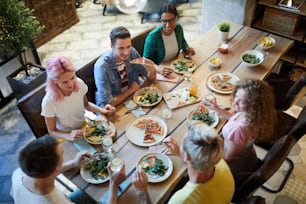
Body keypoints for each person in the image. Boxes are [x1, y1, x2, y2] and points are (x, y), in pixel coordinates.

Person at [131, 123, 235, 203]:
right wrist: (181, 154)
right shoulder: (218, 160)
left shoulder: (182, 200)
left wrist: (142, 192)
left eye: (182, 144)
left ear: (187, 156)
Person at [209, 79, 276, 186]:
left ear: (253, 104)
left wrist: (203, 159)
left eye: (242, 101)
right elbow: (234, 118)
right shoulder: (253, 115)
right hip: (248, 159)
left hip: (234, 170)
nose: (235, 102)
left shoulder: (239, 130)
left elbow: (227, 158)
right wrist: (217, 109)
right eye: (236, 97)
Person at [41, 56, 115, 141]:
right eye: (65, 82)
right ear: (54, 81)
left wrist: (102, 111)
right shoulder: (48, 101)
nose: (71, 84)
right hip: (63, 134)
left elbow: (87, 106)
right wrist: (68, 136)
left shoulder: (79, 83)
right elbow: (52, 131)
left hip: (83, 126)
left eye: (72, 78)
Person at [10, 135, 95, 204]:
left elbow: (47, 173)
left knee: (85, 193)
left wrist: (73, 163)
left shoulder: (19, 173)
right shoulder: (57, 202)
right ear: (55, 170)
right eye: (62, 153)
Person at [94, 26, 157, 107]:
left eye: (128, 46)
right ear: (112, 46)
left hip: (132, 97)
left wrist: (153, 70)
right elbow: (108, 103)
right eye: (121, 48)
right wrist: (131, 90)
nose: (126, 52)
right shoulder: (101, 67)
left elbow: (150, 79)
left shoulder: (132, 52)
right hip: (113, 105)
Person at [143, 4, 195, 70]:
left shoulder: (178, 28)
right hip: (160, 69)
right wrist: (158, 69)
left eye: (171, 20)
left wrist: (187, 50)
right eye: (164, 21)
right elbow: (146, 62)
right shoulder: (152, 37)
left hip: (175, 65)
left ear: (176, 18)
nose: (168, 25)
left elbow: (183, 42)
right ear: (160, 20)